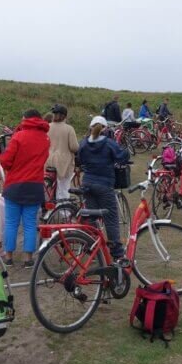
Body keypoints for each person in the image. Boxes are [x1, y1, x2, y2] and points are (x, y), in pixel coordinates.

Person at [0, 109, 50, 268]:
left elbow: (6, 161)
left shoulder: (18, 136)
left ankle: (8, 257)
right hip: (35, 185)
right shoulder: (45, 138)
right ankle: (28, 258)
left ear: (26, 119)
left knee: (11, 222)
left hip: (15, 184)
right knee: (30, 223)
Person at [76, 116, 130, 259]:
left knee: (92, 218)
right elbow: (121, 157)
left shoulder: (84, 143)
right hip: (104, 184)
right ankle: (117, 253)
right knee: (110, 218)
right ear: (105, 129)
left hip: (87, 183)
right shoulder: (109, 143)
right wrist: (126, 152)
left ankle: (92, 247)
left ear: (90, 127)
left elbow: (79, 160)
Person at [46, 104, 80, 200]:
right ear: (65, 116)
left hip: (48, 159)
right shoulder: (69, 129)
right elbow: (74, 147)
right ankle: (63, 210)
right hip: (63, 162)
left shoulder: (47, 126)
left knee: (47, 184)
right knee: (63, 187)